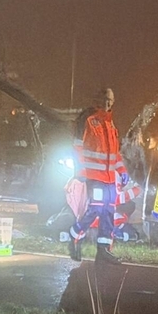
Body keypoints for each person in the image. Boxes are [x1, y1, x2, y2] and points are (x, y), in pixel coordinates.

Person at [67, 88, 126, 265]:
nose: (107, 103)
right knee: (96, 208)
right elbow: (77, 146)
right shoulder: (89, 121)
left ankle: (103, 250)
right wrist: (82, 171)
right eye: (104, 99)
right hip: (94, 176)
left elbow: (115, 153)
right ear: (98, 100)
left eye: (110, 100)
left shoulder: (111, 125)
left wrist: (122, 171)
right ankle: (74, 237)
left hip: (108, 178)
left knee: (109, 211)